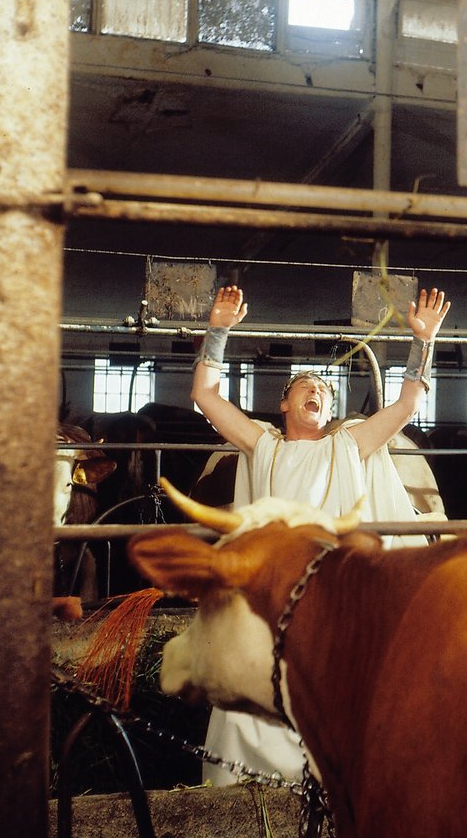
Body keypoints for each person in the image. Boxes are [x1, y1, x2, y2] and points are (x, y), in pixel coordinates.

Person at [190, 282, 451, 784]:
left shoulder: (349, 445)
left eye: (324, 391)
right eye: (304, 387)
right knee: (248, 702)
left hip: (331, 595)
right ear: (283, 405)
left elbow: (406, 407)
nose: (316, 391)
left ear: (329, 412)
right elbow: (205, 395)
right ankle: (233, 801)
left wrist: (424, 342)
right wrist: (218, 331)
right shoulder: (261, 442)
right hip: (270, 597)